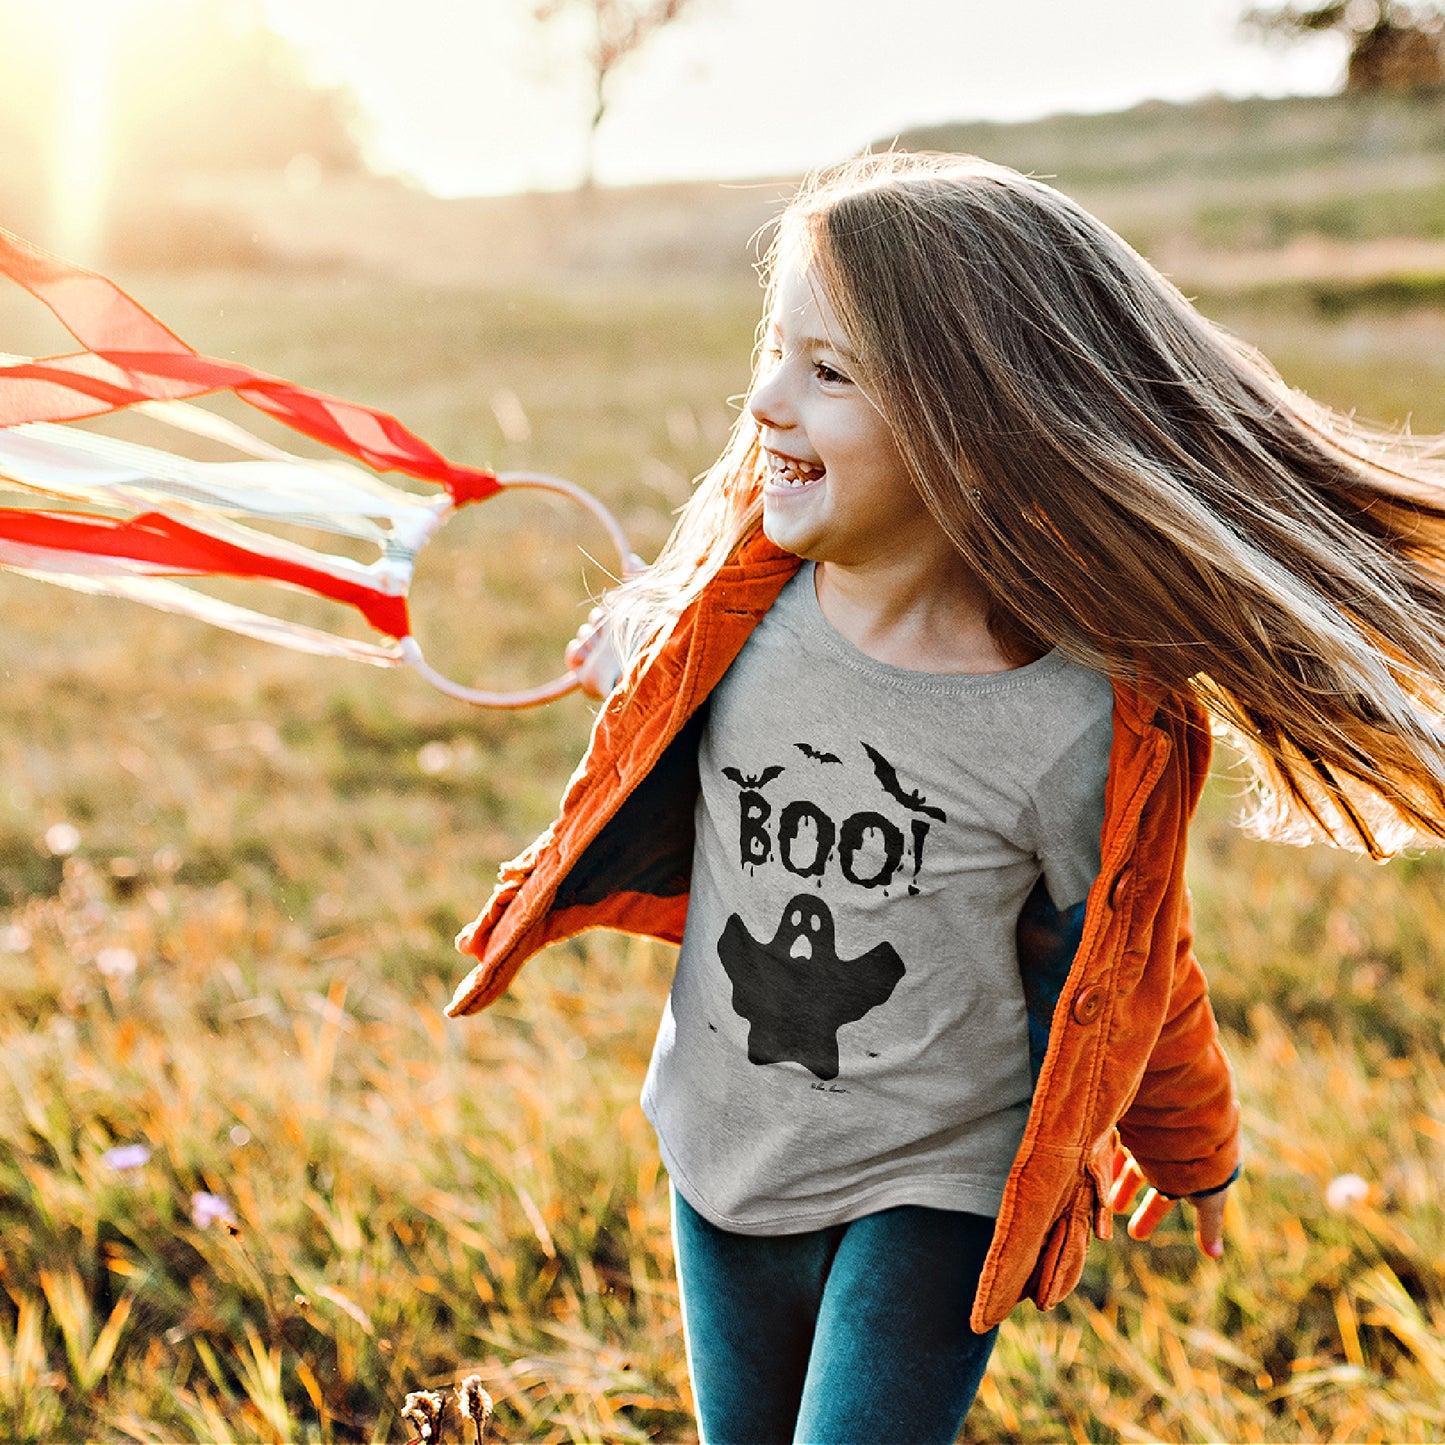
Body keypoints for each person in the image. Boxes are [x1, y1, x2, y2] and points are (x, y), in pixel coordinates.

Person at [446, 153, 1445, 1443]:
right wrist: (621, 657)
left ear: (970, 422)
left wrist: (1190, 1143)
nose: (763, 403)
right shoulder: (726, 624)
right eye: (775, 352)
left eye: (829, 370)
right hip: (724, 1140)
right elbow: (654, 675)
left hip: (935, 1183)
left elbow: (1133, 954)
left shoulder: (1073, 717)